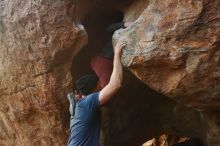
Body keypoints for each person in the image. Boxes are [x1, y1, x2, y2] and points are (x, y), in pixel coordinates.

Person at [67, 41, 126, 146]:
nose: (101, 85)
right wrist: (117, 54)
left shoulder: (81, 104)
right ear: (95, 87)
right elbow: (116, 84)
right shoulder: (88, 103)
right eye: (99, 83)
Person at [91, 21, 133, 88]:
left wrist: (123, 24)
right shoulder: (96, 66)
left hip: (106, 57)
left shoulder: (104, 81)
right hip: (103, 57)